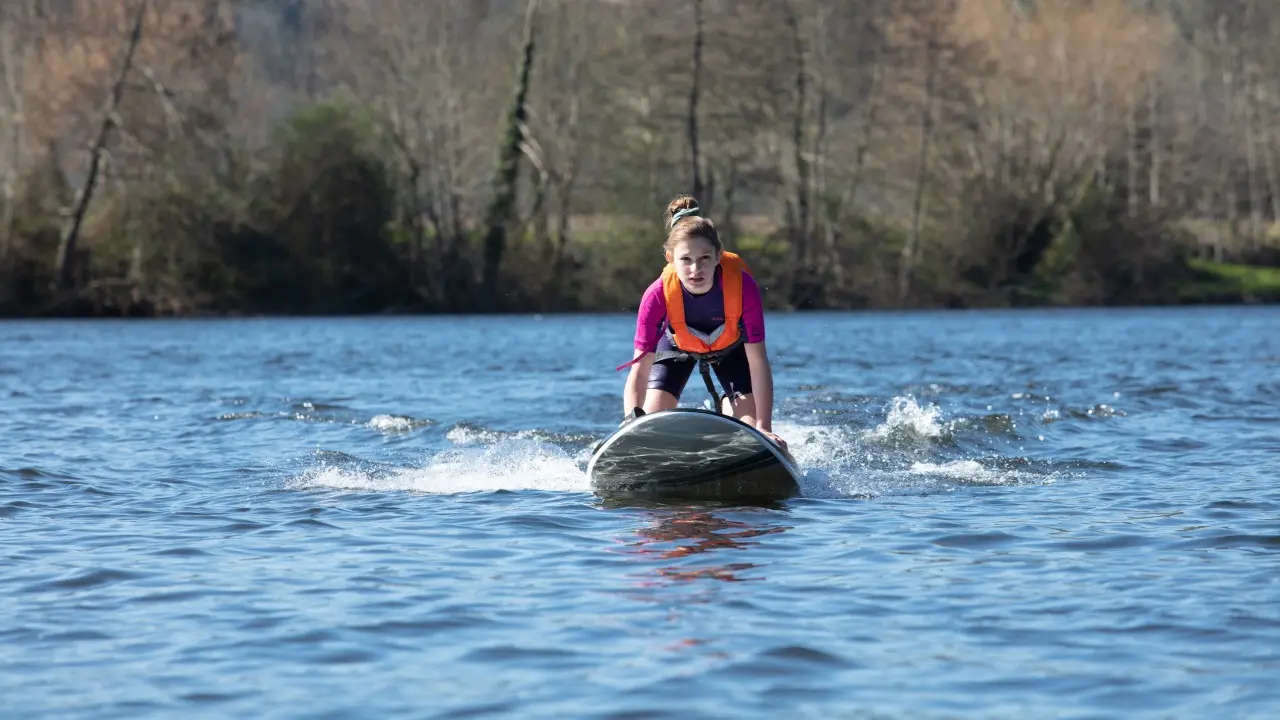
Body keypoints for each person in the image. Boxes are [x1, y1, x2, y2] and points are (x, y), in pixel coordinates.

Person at [617, 195, 788, 451]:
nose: (695, 269)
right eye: (685, 260)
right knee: (650, 422)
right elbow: (640, 369)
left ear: (718, 255)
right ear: (670, 258)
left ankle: (729, 406)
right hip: (677, 347)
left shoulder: (744, 288)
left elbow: (758, 362)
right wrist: (630, 422)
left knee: (749, 429)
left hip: (731, 350)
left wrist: (764, 427)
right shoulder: (656, 295)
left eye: (704, 258)